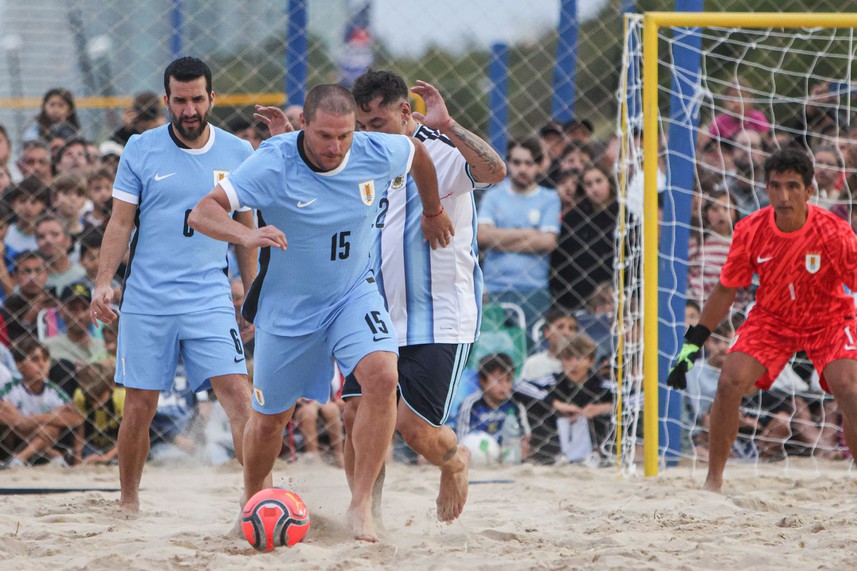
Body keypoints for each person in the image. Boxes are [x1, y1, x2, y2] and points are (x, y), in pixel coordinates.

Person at [187, 83, 453, 542]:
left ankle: (361, 504)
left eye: (344, 135)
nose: (335, 147)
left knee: (382, 377)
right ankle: (252, 500)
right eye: (325, 136)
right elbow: (201, 212)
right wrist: (246, 235)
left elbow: (418, 155)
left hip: (352, 295)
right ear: (303, 125)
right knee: (269, 422)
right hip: (289, 309)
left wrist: (432, 211)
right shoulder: (274, 162)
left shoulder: (376, 150)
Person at [88, 56, 261, 513]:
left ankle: (259, 499)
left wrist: (253, 294)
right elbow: (120, 223)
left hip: (209, 296)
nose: (189, 110)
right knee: (139, 406)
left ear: (212, 98)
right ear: (166, 100)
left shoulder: (238, 153)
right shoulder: (140, 149)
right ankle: (128, 502)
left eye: (197, 99)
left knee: (239, 397)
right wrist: (103, 283)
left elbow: (246, 232)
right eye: (180, 101)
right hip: (148, 297)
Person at [343, 70, 506, 523]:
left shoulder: (442, 150)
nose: (369, 133)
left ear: (404, 112)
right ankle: (367, 513)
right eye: (362, 125)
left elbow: (494, 170)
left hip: (440, 316)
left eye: (378, 123)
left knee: (414, 430)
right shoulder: (363, 157)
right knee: (355, 415)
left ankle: (454, 462)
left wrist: (449, 125)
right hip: (374, 313)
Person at [668, 147, 857, 492]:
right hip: (773, 319)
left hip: (828, 318)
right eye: (775, 186)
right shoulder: (750, 229)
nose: (783, 196)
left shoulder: (834, 231)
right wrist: (691, 345)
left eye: (792, 186)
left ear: (809, 190)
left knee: (849, 387)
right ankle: (713, 481)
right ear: (766, 188)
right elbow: (725, 290)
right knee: (729, 381)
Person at [478, 138, 561, 332]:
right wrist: (530, 233)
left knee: (532, 345)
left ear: (539, 166)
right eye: (516, 162)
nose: (522, 169)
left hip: (533, 288)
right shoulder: (493, 196)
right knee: (494, 346)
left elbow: (547, 241)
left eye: (528, 163)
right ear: (508, 163)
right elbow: (482, 236)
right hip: (494, 287)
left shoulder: (549, 198)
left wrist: (498, 240)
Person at [0, 337, 82, 467]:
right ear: (19, 365)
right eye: (34, 359)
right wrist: (19, 421)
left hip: (44, 439)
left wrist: (37, 419)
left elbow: (76, 417)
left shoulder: (53, 391)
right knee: (7, 417)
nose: (42, 365)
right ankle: (52, 454)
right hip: (15, 442)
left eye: (45, 359)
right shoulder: (12, 388)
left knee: (51, 428)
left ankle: (20, 459)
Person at [456, 352, 531, 462]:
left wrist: (523, 445)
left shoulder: (515, 405)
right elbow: (462, 437)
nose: (504, 386)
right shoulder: (471, 404)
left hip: (507, 456)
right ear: (482, 381)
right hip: (477, 457)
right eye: (498, 381)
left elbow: (525, 435)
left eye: (508, 380)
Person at [72, 362, 124, 465]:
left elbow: (129, 436)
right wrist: (77, 456)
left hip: (119, 446)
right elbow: (79, 429)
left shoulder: (121, 397)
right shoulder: (80, 396)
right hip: (92, 446)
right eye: (91, 399)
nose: (96, 405)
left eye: (99, 397)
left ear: (111, 387)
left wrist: (106, 457)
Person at [35, 214, 86, 292]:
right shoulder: (31, 281)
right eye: (41, 236)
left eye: (54, 234)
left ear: (68, 240)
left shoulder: (82, 275)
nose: (48, 240)